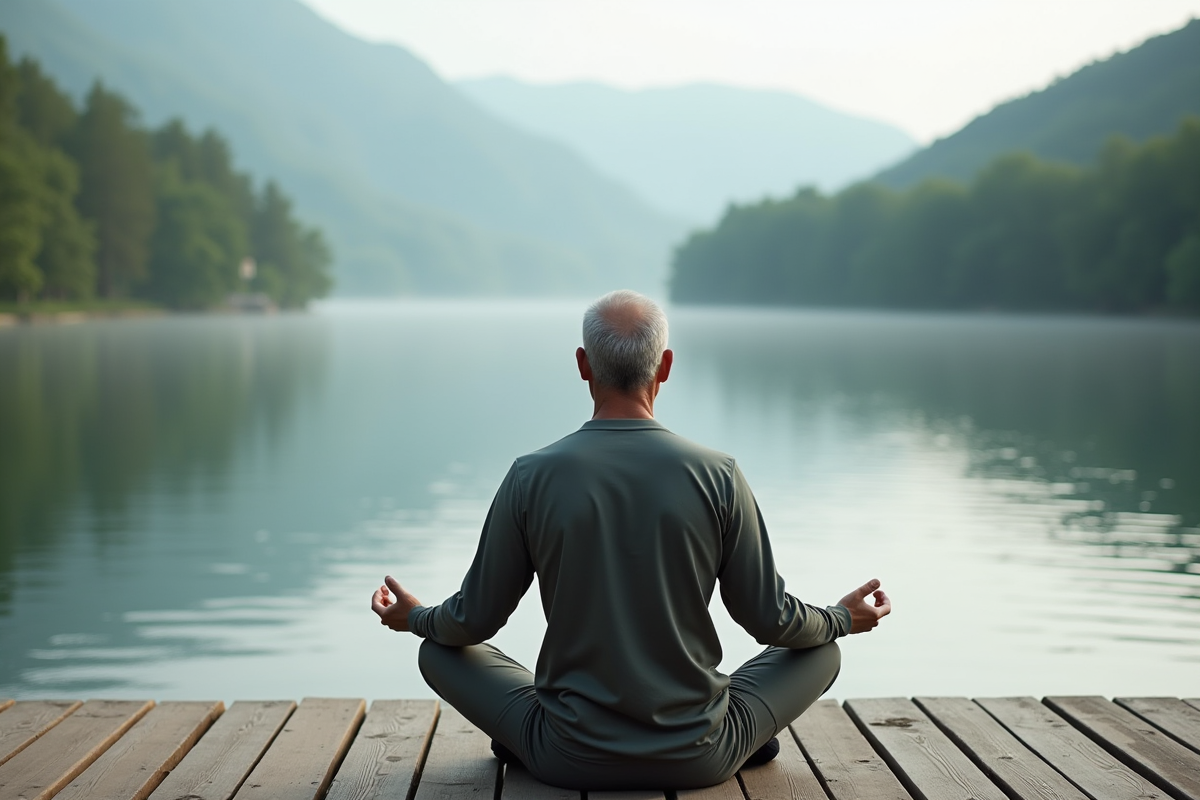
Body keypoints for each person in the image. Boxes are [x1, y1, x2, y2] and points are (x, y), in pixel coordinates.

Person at [370, 289, 891, 791]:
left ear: (582, 364)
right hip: (699, 756)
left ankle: (525, 738)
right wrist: (841, 619)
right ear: (664, 366)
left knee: (437, 652)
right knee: (822, 652)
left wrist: (414, 618)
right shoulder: (718, 474)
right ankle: (742, 736)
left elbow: (472, 621)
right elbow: (769, 619)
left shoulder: (531, 475)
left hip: (567, 756)